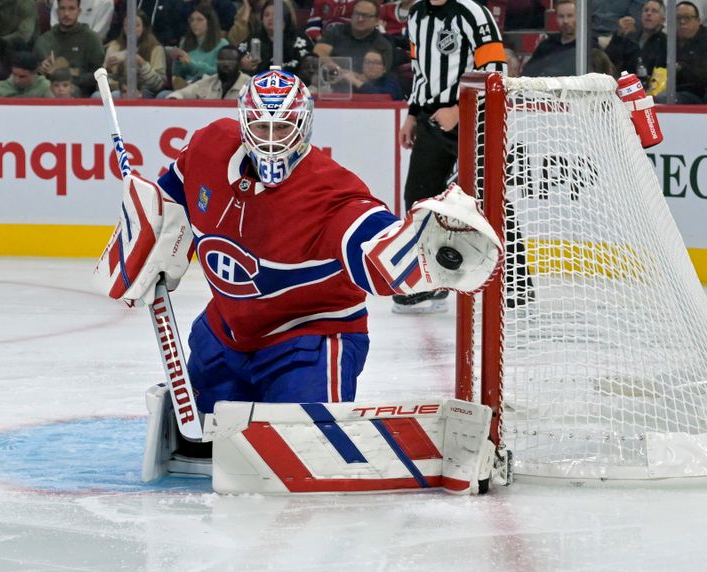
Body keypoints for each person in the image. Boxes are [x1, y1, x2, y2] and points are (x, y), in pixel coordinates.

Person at [93, 68, 501, 449]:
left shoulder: (331, 192)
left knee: (300, 446)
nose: (271, 139)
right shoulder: (209, 145)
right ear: (243, 123)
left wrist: (423, 252)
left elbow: (372, 244)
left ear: (303, 127)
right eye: (261, 127)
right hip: (226, 332)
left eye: (283, 127)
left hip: (308, 341)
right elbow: (173, 191)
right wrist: (147, 230)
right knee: (197, 440)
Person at [398, 0, 524, 314]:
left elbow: (496, 70)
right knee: (418, 198)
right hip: (431, 118)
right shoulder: (416, 14)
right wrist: (412, 115)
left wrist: (460, 108)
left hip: (475, 117)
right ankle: (432, 280)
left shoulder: (472, 11)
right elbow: (420, 72)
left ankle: (517, 287)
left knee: (488, 197)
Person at [34, 0, 104, 96]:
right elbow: (33, 73)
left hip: (80, 89)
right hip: (48, 86)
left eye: (71, 8)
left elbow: (97, 74)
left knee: (68, 91)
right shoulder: (45, 40)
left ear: (79, 11)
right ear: (57, 11)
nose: (66, 14)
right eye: (62, 8)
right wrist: (41, 69)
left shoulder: (90, 38)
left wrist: (70, 75)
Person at [313, 0, 393, 75]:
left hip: (365, 87)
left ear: (376, 20)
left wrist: (351, 78)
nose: (360, 19)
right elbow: (319, 52)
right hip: (331, 79)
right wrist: (339, 71)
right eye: (357, 14)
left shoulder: (382, 44)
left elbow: (378, 74)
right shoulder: (336, 31)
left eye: (366, 16)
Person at [237, 0, 313, 76]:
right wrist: (241, 63)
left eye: (276, 15)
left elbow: (308, 67)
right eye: (266, 15)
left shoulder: (300, 40)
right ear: (262, 20)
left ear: (285, 18)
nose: (270, 18)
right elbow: (236, 55)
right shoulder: (254, 39)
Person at [103, 10, 166, 98]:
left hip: (146, 90)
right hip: (119, 88)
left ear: (144, 27)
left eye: (136, 25)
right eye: (127, 25)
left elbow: (158, 84)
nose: (131, 29)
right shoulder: (114, 46)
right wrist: (108, 69)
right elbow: (104, 81)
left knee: (118, 95)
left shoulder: (156, 48)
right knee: (99, 95)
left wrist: (141, 62)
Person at [605, 0, 666, 84]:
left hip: (650, 87)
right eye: (646, 10)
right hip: (624, 85)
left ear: (662, 20)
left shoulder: (665, 42)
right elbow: (608, 60)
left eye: (654, 11)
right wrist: (618, 35)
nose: (648, 13)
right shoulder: (630, 37)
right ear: (641, 16)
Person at [169, 5, 228, 87]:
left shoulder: (222, 44)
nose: (194, 23)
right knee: (163, 95)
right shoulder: (184, 42)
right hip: (186, 86)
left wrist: (191, 64)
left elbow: (218, 73)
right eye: (192, 20)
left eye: (199, 20)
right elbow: (177, 74)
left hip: (209, 87)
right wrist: (177, 61)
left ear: (210, 22)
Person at [165, 44, 249, 99]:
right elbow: (182, 93)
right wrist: (173, 99)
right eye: (222, 59)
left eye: (230, 60)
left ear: (239, 64)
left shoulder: (251, 85)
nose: (225, 63)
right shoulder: (208, 82)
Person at [669, 1, 707, 103]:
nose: (682, 22)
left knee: (661, 99)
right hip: (672, 90)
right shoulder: (669, 42)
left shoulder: (704, 41)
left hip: (697, 94)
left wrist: (681, 67)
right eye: (678, 18)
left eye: (687, 17)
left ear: (698, 21)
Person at [48, 0, 113, 42]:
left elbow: (97, 36)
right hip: (59, 46)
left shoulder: (106, 2)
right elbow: (55, 28)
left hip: (88, 52)